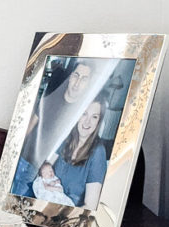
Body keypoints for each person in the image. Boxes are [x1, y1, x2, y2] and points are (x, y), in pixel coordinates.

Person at [11, 61, 98, 197]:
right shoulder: (51, 97)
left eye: (84, 79)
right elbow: (31, 124)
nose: (77, 82)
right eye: (76, 75)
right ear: (70, 77)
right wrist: (14, 152)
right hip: (23, 158)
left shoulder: (80, 113)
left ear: (88, 84)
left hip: (43, 171)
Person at [36, 99, 108, 209]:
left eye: (94, 117)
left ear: (98, 122)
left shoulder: (98, 152)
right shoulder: (65, 138)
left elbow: (90, 205)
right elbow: (42, 169)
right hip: (45, 204)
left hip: (68, 215)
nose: (87, 122)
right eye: (84, 114)